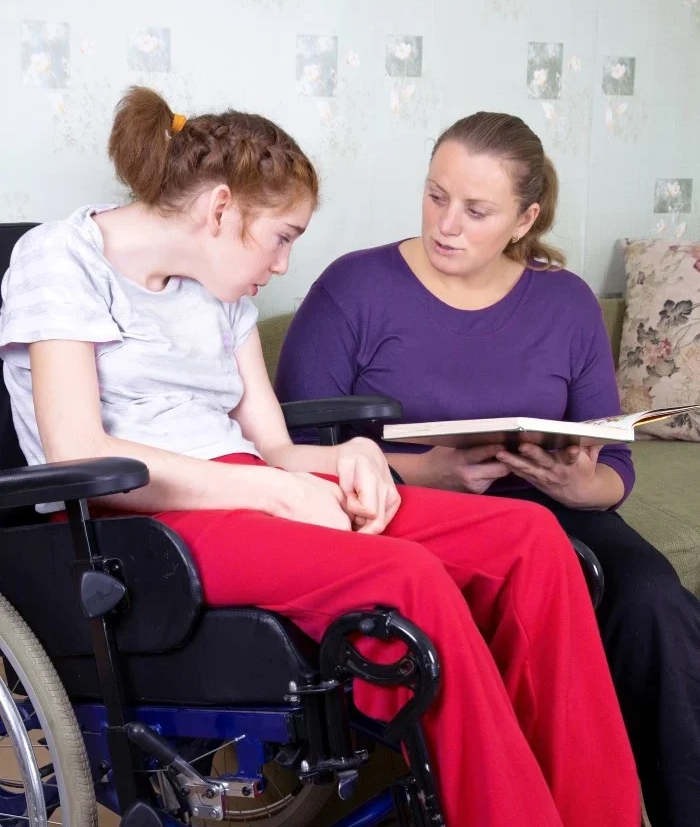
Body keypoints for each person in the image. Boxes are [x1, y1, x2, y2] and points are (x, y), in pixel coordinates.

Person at [0, 89, 640, 827]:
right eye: (280, 237)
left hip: (239, 486)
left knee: (532, 543)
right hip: (132, 520)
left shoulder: (222, 283)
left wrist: (348, 459)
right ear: (219, 211)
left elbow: (272, 445)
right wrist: (271, 494)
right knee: (407, 578)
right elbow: (79, 448)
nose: (283, 263)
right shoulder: (60, 256)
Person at [276, 110, 700, 827]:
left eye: (476, 210)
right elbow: (290, 440)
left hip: (550, 504)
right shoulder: (354, 288)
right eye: (436, 196)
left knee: (654, 599)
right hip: (401, 509)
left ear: (524, 219)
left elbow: (613, 455)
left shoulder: (565, 302)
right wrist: (421, 471)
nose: (446, 224)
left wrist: (583, 483)